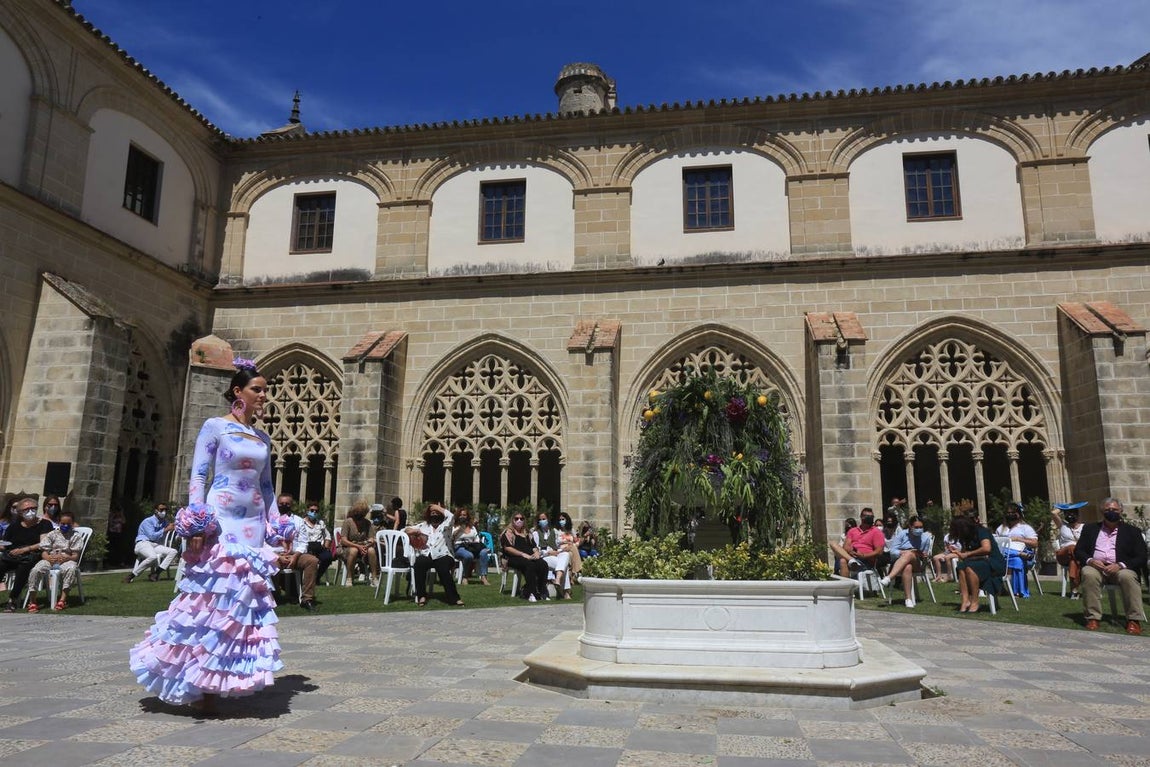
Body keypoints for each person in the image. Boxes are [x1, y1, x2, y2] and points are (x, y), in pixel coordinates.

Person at [129, 356, 285, 709]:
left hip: (253, 524)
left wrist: (277, 524)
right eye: (257, 390)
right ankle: (196, 679)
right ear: (238, 391)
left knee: (242, 602)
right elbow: (199, 475)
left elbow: (267, 485)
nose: (263, 396)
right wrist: (198, 520)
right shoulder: (215, 426)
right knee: (211, 598)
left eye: (265, 390)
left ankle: (220, 677)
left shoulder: (262, 437)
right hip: (222, 518)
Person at [1074, 498, 1147, 635]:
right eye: (1107, 510)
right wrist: (1090, 560)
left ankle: (1133, 620)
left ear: (1121, 511)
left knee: (1127, 577)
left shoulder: (1132, 532)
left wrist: (1120, 565)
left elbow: (1142, 556)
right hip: (1097, 568)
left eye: (1114, 510)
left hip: (1121, 568)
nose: (1111, 512)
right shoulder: (1090, 529)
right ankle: (1093, 618)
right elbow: (1079, 551)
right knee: (1088, 573)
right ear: (1102, 511)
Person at [1, 496, 54, 611]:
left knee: (23, 567)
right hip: (13, 555)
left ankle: (13, 600)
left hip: (33, 555)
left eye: (33, 508)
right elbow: (6, 544)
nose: (30, 511)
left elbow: (43, 543)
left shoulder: (44, 524)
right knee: (1, 564)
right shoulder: (14, 526)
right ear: (20, 512)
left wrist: (26, 549)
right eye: (26, 509)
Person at [26, 510, 84, 611]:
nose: (65, 526)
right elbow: (44, 551)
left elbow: (75, 556)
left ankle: (62, 599)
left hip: (66, 560)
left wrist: (68, 558)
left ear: (72, 524)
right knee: (36, 570)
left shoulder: (75, 536)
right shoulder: (52, 534)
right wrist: (48, 557)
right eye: (63, 523)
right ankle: (33, 600)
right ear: (58, 523)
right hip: (50, 559)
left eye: (68, 524)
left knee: (71, 569)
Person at [406, 503, 463, 606]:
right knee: (419, 563)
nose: (434, 514)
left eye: (436, 512)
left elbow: (451, 516)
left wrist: (437, 507)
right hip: (427, 554)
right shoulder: (423, 526)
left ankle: (454, 598)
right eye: (432, 512)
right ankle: (421, 595)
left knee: (443, 568)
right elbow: (404, 530)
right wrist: (413, 531)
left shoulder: (446, 525)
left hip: (444, 554)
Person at [950, 514, 1006, 613]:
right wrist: (959, 553)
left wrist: (968, 554)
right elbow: (965, 553)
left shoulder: (981, 531)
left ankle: (975, 602)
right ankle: (965, 600)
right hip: (978, 562)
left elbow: (986, 548)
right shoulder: (965, 536)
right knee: (961, 567)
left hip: (993, 562)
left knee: (969, 568)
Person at [274, 497, 320, 612]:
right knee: (269, 563)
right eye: (281, 503)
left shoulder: (299, 521)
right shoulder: (269, 520)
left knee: (312, 561)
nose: (284, 506)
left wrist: (295, 556)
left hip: (295, 553)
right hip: (275, 553)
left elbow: (304, 542)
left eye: (287, 504)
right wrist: (278, 556)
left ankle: (307, 598)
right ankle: (274, 596)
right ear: (277, 504)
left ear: (292, 505)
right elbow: (264, 543)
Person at [880, 517, 932, 608]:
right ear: (910, 526)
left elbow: (926, 555)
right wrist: (901, 552)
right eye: (916, 527)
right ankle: (908, 599)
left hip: (918, 563)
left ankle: (889, 577)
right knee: (908, 567)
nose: (919, 529)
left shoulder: (925, 538)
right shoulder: (902, 534)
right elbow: (892, 551)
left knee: (910, 554)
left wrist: (923, 555)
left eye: (921, 527)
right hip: (901, 562)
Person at [501, 511, 550, 602]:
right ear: (513, 520)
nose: (519, 520)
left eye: (521, 518)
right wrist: (523, 554)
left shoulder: (527, 533)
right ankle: (531, 593)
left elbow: (534, 546)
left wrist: (536, 553)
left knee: (543, 564)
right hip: (514, 557)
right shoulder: (508, 533)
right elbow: (508, 548)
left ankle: (542, 591)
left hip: (529, 556)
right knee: (529, 565)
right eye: (516, 518)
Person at [124, 502, 178, 583]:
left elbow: (172, 527)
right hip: (143, 543)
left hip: (155, 545)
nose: (164, 512)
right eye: (161, 509)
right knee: (153, 557)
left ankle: (156, 573)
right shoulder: (148, 521)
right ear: (156, 511)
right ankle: (132, 575)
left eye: (165, 509)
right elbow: (152, 536)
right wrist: (165, 529)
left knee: (173, 551)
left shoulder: (164, 522)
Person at [995, 502, 1039, 597]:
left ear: (1018, 514)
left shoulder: (1025, 528)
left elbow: (1035, 543)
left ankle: (1019, 591)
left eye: (1012, 513)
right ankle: (1017, 553)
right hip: (1002, 555)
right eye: (1008, 513)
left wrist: (1019, 539)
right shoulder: (1001, 529)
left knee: (1017, 561)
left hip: (1024, 556)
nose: (1010, 515)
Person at [828, 508, 885, 578]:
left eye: (871, 517)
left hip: (866, 561)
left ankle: (847, 585)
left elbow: (879, 551)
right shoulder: (852, 531)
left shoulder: (876, 532)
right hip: (852, 557)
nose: (869, 518)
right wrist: (851, 552)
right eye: (867, 516)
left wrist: (863, 555)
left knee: (843, 560)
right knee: (833, 544)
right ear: (861, 517)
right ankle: (851, 563)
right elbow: (846, 547)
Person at [532, 511, 571, 599]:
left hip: (555, 554)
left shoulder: (553, 531)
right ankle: (565, 591)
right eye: (540, 520)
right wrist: (547, 552)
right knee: (564, 565)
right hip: (544, 557)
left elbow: (556, 545)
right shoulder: (536, 533)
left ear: (548, 519)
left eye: (544, 519)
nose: (542, 521)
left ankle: (557, 579)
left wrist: (561, 550)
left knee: (565, 554)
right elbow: (536, 550)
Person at [339, 501, 379, 586]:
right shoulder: (348, 522)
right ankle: (349, 578)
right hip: (348, 547)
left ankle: (374, 578)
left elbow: (371, 538)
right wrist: (358, 546)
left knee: (371, 550)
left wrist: (366, 545)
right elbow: (343, 540)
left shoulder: (367, 523)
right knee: (354, 550)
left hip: (363, 546)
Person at [1052, 501, 1086, 598]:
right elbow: (1053, 513)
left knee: (1073, 562)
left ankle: (1074, 591)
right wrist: (1064, 508)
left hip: (1075, 557)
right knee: (1072, 548)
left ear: (1077, 515)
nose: (1070, 515)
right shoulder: (1063, 525)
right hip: (1063, 555)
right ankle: (1082, 583)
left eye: (1072, 513)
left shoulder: (1084, 527)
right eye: (1068, 513)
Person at [452, 508, 489, 586]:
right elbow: (451, 538)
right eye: (460, 515)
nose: (462, 516)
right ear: (458, 516)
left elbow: (477, 539)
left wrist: (473, 542)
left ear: (467, 516)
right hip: (459, 547)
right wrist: (459, 529)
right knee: (468, 555)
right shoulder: (453, 526)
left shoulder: (472, 527)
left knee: (484, 552)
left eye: (464, 515)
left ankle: (483, 576)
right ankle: (465, 577)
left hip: (471, 546)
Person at [299, 501, 334, 580]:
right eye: (312, 510)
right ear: (307, 511)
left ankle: (317, 577)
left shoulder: (320, 523)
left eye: (316, 511)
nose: (314, 512)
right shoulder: (301, 522)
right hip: (306, 547)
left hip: (319, 546)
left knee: (328, 557)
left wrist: (326, 546)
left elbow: (327, 536)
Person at [555, 511, 582, 584]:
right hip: (561, 549)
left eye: (563, 519)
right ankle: (578, 571)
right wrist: (566, 543)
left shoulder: (571, 530)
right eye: (560, 520)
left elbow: (577, 541)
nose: (561, 521)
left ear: (567, 520)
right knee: (572, 548)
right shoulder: (556, 531)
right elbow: (556, 543)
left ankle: (571, 576)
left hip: (571, 549)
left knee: (570, 554)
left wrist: (573, 544)